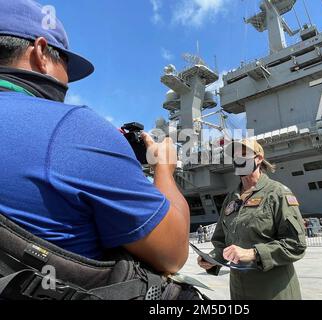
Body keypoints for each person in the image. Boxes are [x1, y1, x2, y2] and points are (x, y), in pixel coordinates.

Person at [0, 0, 190, 275]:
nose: (67, 81)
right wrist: (164, 168)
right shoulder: (73, 127)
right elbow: (173, 255)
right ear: (41, 52)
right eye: (64, 63)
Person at [197, 139, 307, 300]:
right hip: (239, 290)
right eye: (235, 156)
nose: (238, 159)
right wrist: (213, 258)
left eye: (244, 154)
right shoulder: (231, 199)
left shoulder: (277, 193)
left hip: (273, 291)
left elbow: (296, 244)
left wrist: (254, 253)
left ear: (259, 158)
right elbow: (221, 242)